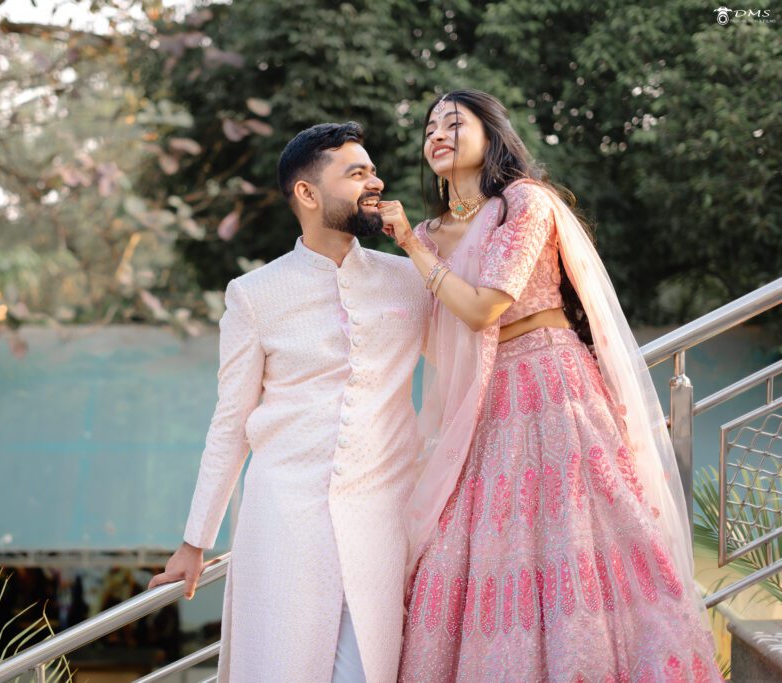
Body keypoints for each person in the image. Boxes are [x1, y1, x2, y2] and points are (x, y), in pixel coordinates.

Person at [379, 90, 720, 682]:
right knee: (478, 546)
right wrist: (416, 244)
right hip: (486, 401)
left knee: (577, 536)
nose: (436, 133)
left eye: (453, 123)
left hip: (552, 381)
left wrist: (409, 245)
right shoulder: (432, 234)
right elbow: (445, 339)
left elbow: (484, 309)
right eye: (429, 126)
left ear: (492, 135)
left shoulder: (523, 204)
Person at [149, 122, 431, 682]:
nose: (374, 182)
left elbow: (473, 349)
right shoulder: (254, 295)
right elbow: (231, 425)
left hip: (383, 517)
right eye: (356, 173)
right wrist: (194, 542)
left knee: (365, 673)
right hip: (284, 521)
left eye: (372, 170)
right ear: (306, 193)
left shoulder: (411, 278)